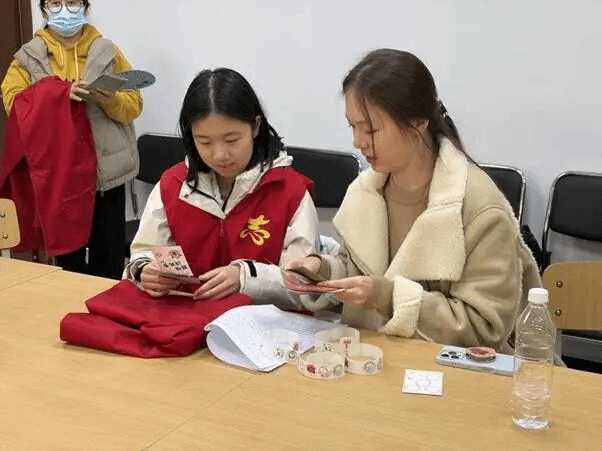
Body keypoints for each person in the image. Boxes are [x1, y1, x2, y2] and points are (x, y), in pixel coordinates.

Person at [288, 49, 541, 353]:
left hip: (452, 371)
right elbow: (355, 268)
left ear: (418, 123)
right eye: (352, 126)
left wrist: (387, 296)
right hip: (375, 360)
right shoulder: (366, 191)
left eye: (370, 129)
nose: (358, 141)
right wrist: (322, 271)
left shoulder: (477, 206)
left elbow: (484, 329)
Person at [124, 68, 321, 307]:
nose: (220, 155)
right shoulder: (173, 185)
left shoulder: (290, 191)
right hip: (186, 317)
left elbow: (303, 286)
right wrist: (145, 272)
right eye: (204, 142)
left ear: (256, 126)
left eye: (232, 140)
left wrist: (246, 278)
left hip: (260, 322)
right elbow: (143, 253)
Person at [1, 0, 142, 279]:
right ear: (44, 9)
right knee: (68, 267)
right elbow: (14, 107)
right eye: (56, 3)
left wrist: (110, 100)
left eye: (73, 2)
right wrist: (57, 95)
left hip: (106, 177)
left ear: (85, 7)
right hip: (60, 180)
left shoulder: (108, 53)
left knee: (109, 264)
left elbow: (134, 104)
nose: (65, 10)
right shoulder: (27, 58)